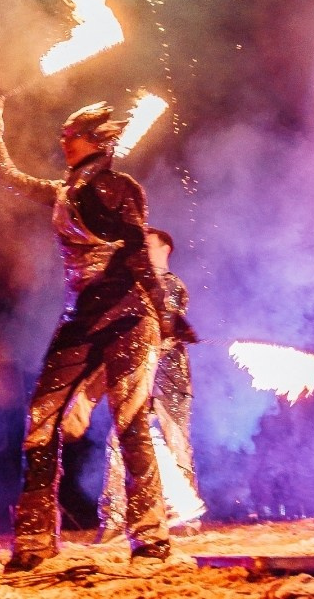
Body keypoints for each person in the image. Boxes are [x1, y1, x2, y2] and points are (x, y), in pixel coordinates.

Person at [0, 95, 173, 571]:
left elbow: (135, 249)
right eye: (64, 136)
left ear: (94, 141)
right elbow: (8, 178)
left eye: (71, 136)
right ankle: (34, 541)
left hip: (129, 314)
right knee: (41, 419)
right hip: (81, 317)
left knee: (131, 423)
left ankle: (150, 540)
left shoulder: (118, 187)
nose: (63, 142)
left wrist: (166, 311)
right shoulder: (63, 191)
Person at [97, 228, 205, 541]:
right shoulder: (136, 287)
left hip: (169, 376)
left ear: (163, 248)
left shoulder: (171, 285)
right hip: (139, 372)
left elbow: (166, 326)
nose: (140, 248)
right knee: (119, 441)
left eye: (147, 243)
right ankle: (115, 519)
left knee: (174, 443)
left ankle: (185, 517)